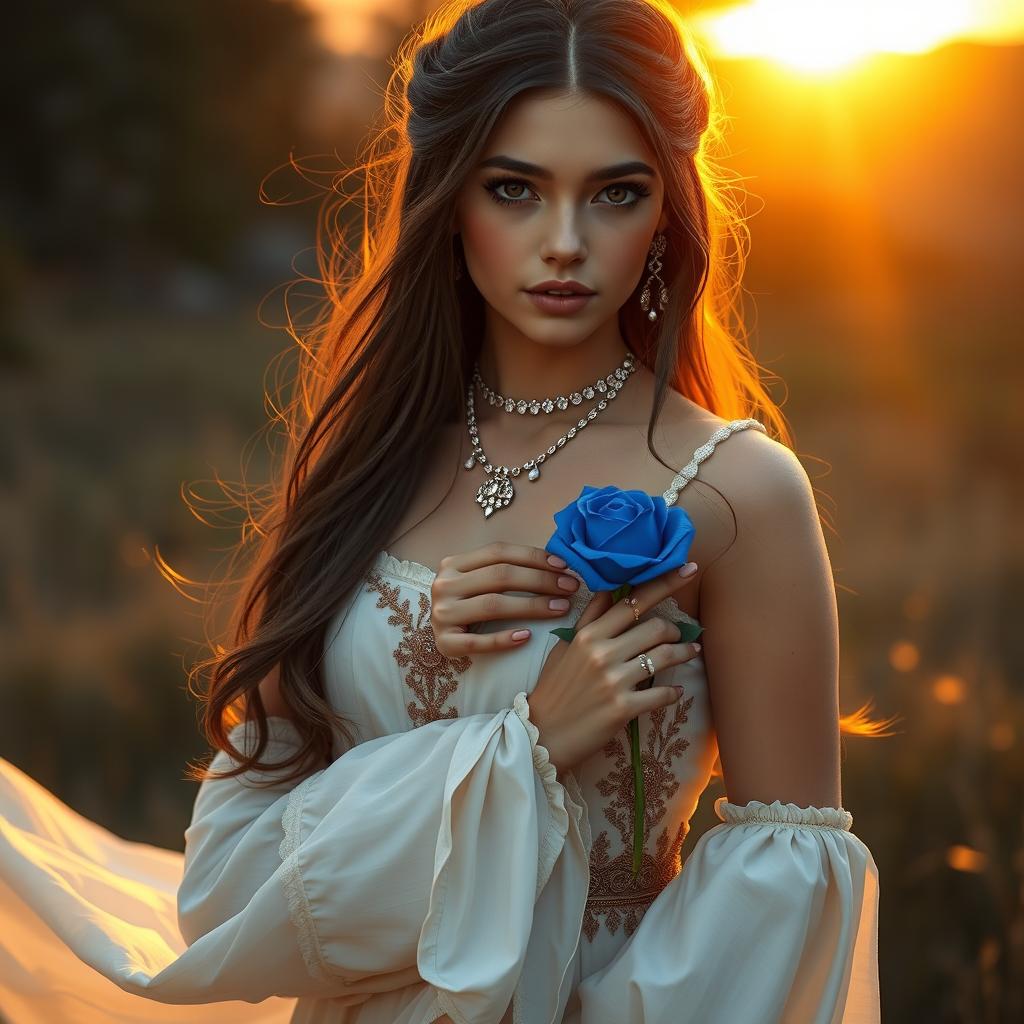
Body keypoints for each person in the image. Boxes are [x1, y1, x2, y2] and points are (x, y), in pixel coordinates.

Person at [0, 1, 888, 1021]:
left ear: (665, 213)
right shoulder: (371, 461)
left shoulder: (740, 490)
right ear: (448, 196)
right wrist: (523, 738)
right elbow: (230, 885)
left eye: (614, 193)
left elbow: (778, 903)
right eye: (514, 189)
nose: (563, 242)